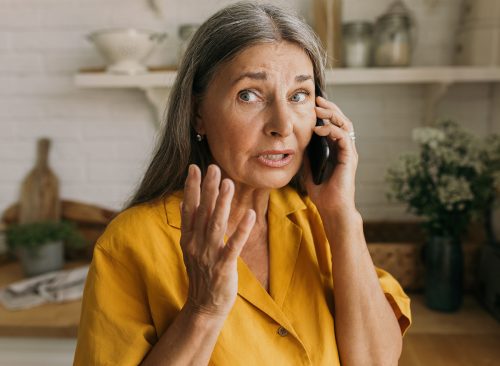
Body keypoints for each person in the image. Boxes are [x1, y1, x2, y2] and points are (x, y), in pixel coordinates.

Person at [73, 2, 411, 365]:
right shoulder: (131, 243)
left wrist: (342, 215)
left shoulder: (321, 222)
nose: (282, 125)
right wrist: (204, 309)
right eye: (249, 95)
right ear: (198, 113)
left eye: (299, 96)